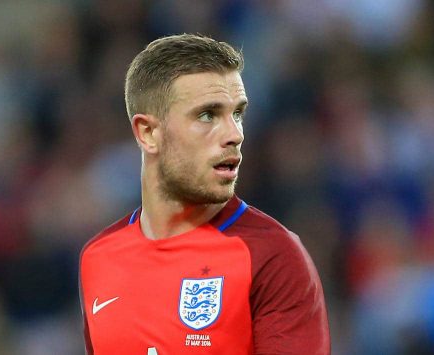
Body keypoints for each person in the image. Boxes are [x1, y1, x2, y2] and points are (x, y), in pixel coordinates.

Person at [79, 33, 330, 354]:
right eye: (208, 115)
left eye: (237, 113)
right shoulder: (98, 258)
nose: (234, 134)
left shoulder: (272, 255)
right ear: (148, 132)